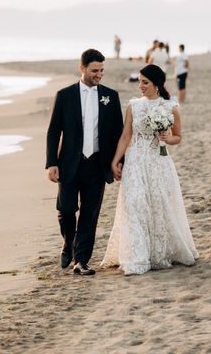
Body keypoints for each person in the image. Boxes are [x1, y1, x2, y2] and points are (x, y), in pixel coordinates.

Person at [101, 64, 199, 275]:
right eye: (139, 81)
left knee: (157, 205)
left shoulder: (170, 107)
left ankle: (158, 252)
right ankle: (136, 255)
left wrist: (167, 138)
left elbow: (178, 137)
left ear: (157, 84)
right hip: (135, 161)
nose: (141, 86)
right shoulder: (133, 106)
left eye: (145, 82)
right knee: (134, 204)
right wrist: (115, 161)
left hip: (158, 162)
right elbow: (126, 136)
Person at [45, 49, 124, 275]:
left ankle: (81, 260)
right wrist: (51, 163)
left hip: (97, 164)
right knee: (67, 210)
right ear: (82, 69)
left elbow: (118, 133)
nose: (99, 75)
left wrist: (119, 162)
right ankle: (68, 243)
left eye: (101, 71)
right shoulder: (64, 95)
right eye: (94, 70)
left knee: (90, 213)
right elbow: (53, 132)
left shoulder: (111, 96)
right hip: (70, 163)